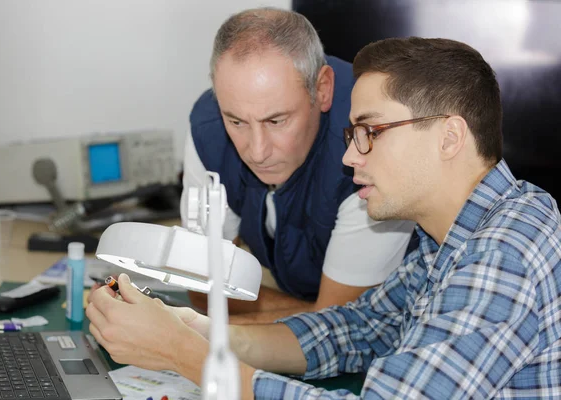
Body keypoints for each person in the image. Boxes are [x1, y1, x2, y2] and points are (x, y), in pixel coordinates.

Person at [87, 36, 561, 398]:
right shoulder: (448, 243)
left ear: (450, 137)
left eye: (370, 131)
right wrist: (198, 330)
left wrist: (181, 355)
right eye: (353, 134)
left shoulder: (506, 249)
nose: (352, 156)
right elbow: (353, 331)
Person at [181, 7, 415, 323]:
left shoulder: (374, 146)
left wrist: (218, 319)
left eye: (276, 120)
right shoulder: (207, 128)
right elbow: (200, 286)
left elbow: (341, 325)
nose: (258, 152)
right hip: (301, 289)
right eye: (236, 121)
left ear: (322, 90)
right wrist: (312, 315)